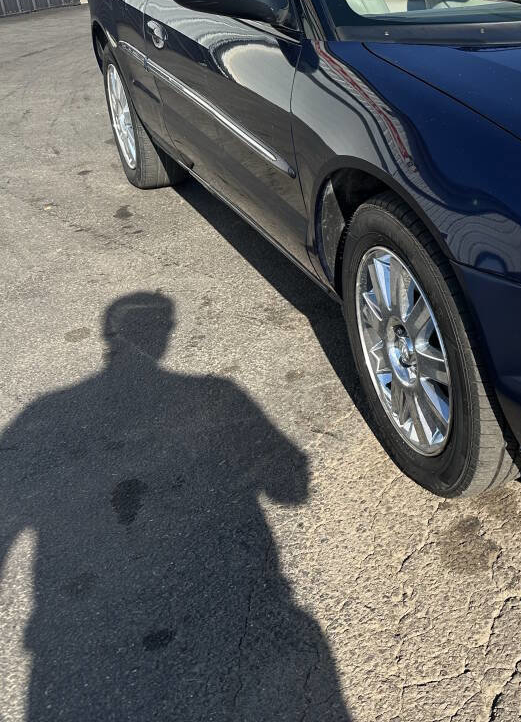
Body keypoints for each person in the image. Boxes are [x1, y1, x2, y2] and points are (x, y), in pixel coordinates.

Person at [0, 292, 350, 721]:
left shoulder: (43, 414)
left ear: (111, 337)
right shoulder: (216, 393)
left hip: (66, 649)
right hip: (231, 617)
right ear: (166, 333)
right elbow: (292, 489)